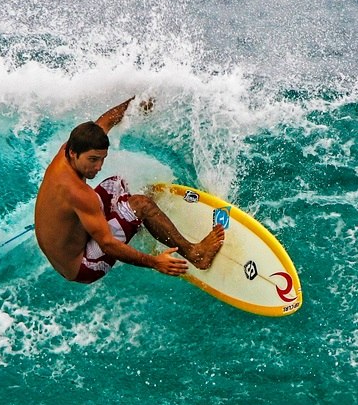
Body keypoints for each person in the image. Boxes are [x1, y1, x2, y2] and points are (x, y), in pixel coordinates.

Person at [34, 96, 225, 284]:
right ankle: (196, 254)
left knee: (117, 183)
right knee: (142, 204)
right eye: (93, 160)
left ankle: (141, 222)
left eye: (102, 159)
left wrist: (136, 103)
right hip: (83, 266)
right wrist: (155, 262)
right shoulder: (78, 193)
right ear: (73, 153)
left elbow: (106, 121)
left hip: (68, 246)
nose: (98, 167)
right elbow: (107, 245)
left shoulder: (71, 150)